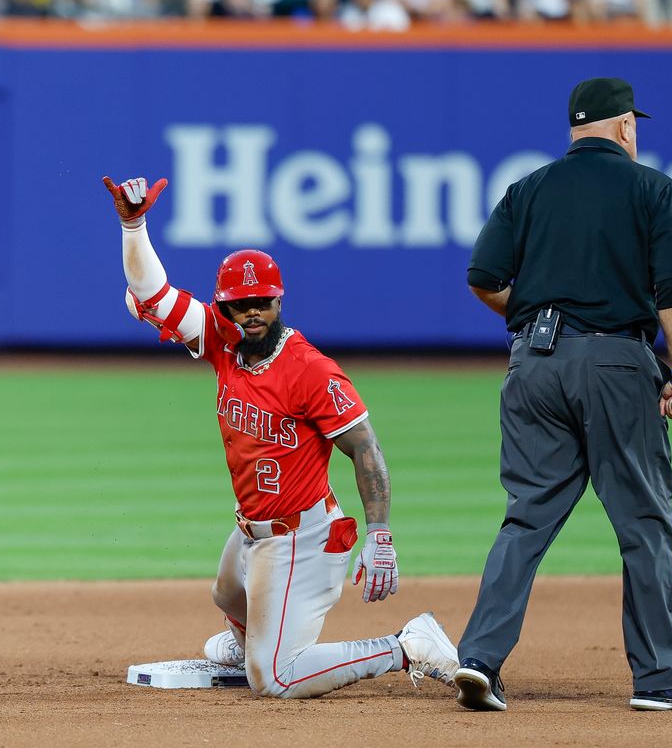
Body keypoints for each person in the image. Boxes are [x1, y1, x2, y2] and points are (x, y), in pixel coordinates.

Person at [101, 175, 459, 699]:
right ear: (223, 307)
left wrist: (380, 536)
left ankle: (408, 645)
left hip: (303, 538)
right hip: (253, 532)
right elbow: (149, 291)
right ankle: (250, 637)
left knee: (275, 678)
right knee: (225, 592)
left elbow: (365, 447)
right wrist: (133, 225)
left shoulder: (309, 369)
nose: (252, 312)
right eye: (240, 303)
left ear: (279, 301)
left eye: (262, 301)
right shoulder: (221, 341)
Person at [453, 77, 672, 712]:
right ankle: (657, 681)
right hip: (617, 364)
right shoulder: (653, 188)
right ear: (624, 126)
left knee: (526, 517)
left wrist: (541, 316)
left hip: (533, 365)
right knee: (644, 522)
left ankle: (480, 659)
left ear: (575, 129)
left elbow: (483, 278)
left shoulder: (529, 187)